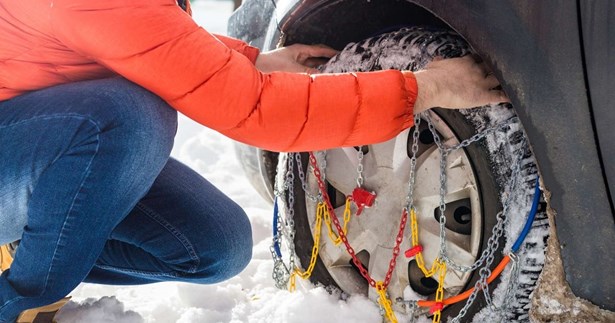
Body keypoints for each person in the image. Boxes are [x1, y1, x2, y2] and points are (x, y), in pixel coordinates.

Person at [0, 0, 507, 321]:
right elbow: (258, 111)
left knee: (214, 246)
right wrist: (431, 87)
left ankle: (26, 242)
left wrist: (252, 61)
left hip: (40, 146)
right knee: (129, 119)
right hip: (26, 141)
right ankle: (21, 304)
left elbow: (139, 37)